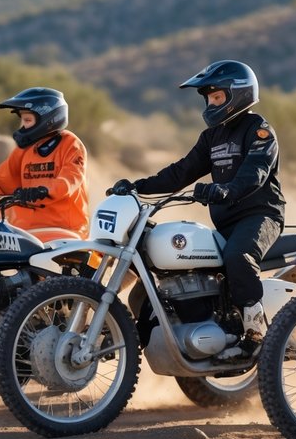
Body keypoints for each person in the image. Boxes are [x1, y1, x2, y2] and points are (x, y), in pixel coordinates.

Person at [112, 60, 284, 362]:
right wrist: (137, 186)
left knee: (237, 257)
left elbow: (255, 172)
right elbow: (181, 172)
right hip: (226, 221)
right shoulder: (212, 137)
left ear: (237, 94)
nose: (211, 103)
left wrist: (225, 189)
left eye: (217, 97)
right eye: (209, 98)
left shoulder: (259, 130)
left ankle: (257, 335)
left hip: (260, 216)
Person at [0, 87, 89, 238]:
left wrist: (42, 190)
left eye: (27, 120)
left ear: (47, 118)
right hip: (25, 232)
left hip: (64, 232)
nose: (22, 126)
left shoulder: (71, 145)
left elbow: (68, 181)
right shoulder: (24, 150)